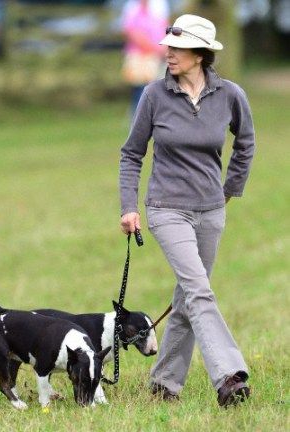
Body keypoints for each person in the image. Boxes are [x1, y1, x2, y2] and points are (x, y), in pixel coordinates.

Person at [119, 14, 255, 407]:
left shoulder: (230, 95)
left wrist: (230, 189)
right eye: (168, 45)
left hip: (211, 211)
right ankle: (230, 376)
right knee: (199, 291)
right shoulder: (154, 96)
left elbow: (246, 143)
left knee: (187, 297)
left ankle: (164, 384)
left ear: (200, 54)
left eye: (177, 47)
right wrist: (129, 206)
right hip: (166, 208)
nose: (168, 52)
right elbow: (131, 154)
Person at [121, 0, 169, 114]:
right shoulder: (133, 9)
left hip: (157, 56)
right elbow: (132, 33)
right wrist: (155, 48)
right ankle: (140, 120)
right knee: (141, 90)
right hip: (141, 57)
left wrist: (164, 49)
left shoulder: (158, 8)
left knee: (157, 89)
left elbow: (164, 28)